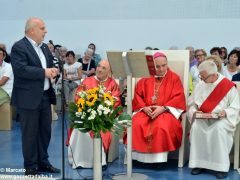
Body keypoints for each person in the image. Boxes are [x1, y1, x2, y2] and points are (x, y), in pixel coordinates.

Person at [10, 17, 60, 176]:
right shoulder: (19, 47)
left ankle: (43, 162)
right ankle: (30, 167)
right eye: (42, 28)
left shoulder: (45, 47)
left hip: (45, 96)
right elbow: (21, 70)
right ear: (32, 30)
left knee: (45, 132)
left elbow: (50, 66)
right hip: (28, 99)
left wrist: (53, 71)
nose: (45, 31)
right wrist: (44, 72)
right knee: (30, 134)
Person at [124, 52, 186, 163]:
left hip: (166, 111)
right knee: (135, 124)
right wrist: (143, 107)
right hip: (146, 111)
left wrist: (163, 108)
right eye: (158, 66)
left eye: (164, 65)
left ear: (167, 64)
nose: (161, 69)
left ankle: (158, 160)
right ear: (153, 66)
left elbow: (179, 97)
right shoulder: (146, 77)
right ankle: (137, 158)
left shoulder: (174, 78)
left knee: (161, 126)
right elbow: (138, 94)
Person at [188, 60, 240, 179]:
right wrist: (195, 112)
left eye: (204, 77)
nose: (201, 79)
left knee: (218, 128)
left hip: (222, 119)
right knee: (196, 127)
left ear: (213, 75)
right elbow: (191, 104)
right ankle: (199, 163)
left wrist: (225, 112)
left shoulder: (227, 85)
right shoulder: (200, 84)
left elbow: (235, 107)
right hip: (204, 117)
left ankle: (220, 166)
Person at [68, 59, 121, 169]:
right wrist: (87, 110)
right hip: (86, 114)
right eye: (99, 66)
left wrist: (103, 112)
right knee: (80, 127)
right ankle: (79, 159)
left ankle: (99, 161)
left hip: (104, 117)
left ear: (109, 71)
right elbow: (78, 97)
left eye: (103, 68)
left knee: (99, 129)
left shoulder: (112, 83)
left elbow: (116, 101)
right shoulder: (87, 81)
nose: (99, 70)